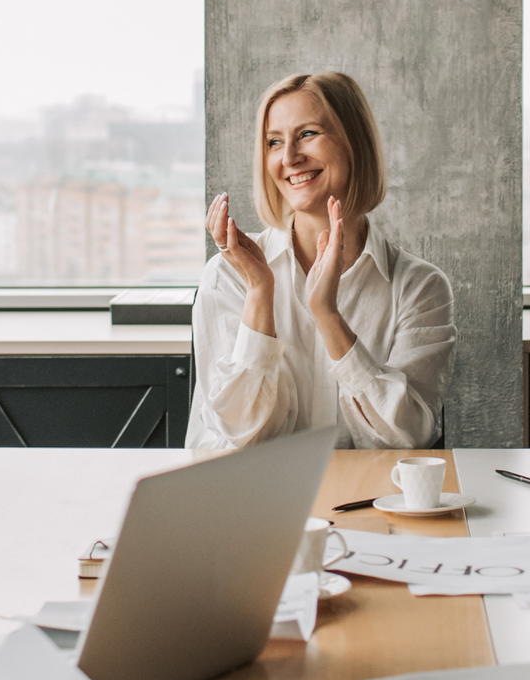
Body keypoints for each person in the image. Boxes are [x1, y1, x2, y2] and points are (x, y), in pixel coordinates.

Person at [188, 72, 456, 449]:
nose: (289, 158)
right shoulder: (227, 277)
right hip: (253, 503)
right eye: (274, 142)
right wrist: (260, 294)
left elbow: (407, 439)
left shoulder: (420, 287)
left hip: (367, 504)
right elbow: (240, 438)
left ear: (355, 143)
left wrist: (327, 315)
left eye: (308, 134)